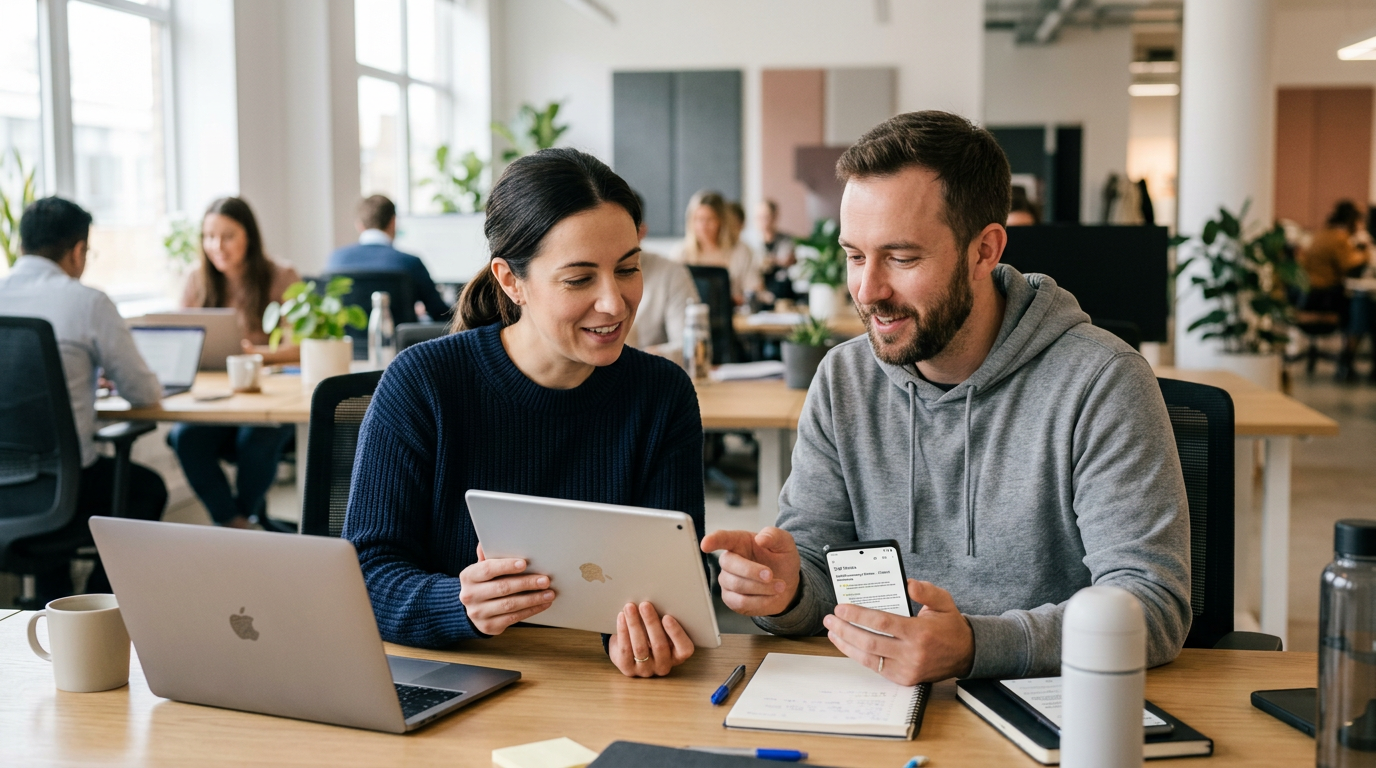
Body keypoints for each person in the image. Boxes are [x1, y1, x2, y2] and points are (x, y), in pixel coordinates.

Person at [702, 111, 1191, 685]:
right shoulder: (844, 379)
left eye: (902, 258)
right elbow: (816, 570)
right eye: (855, 256)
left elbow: (1151, 606)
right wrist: (786, 592)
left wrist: (976, 647)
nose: (867, 291)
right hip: (875, 703)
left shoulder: (1101, 380)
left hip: (1046, 711)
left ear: (984, 251)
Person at [343, 148, 705, 678]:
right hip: (450, 679)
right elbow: (365, 577)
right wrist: (458, 603)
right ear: (511, 281)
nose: (615, 302)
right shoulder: (424, 382)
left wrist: (649, 636)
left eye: (628, 268)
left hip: (599, 689)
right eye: (579, 279)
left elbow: (675, 584)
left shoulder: (662, 394)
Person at [0, 197, 167, 601]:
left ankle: (54, 601)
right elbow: (144, 394)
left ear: (23, 245)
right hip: (63, 491)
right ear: (77, 250)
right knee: (148, 490)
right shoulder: (87, 302)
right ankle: (96, 603)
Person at [170, 197, 299, 530]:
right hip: (217, 397)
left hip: (271, 397)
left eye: (228, 236)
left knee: (255, 439)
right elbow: (180, 341)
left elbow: (301, 346)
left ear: (249, 237)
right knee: (185, 438)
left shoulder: (281, 275)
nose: (217, 246)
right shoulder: (195, 280)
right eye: (209, 237)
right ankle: (238, 524)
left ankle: (241, 520)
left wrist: (253, 352)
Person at [325, 195, 452, 323]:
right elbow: (441, 314)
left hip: (349, 343)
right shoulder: (410, 263)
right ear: (393, 222)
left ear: (359, 225)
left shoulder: (337, 260)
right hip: (402, 343)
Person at [1300, 200, 1372, 381]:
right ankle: (1347, 360)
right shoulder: (1339, 238)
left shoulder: (1322, 233)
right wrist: (1366, 251)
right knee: (1361, 308)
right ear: (1353, 221)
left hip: (1310, 294)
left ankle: (1348, 360)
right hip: (1326, 295)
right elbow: (1349, 264)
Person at [627, 192, 701, 357]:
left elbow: (689, 348)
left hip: (648, 375)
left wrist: (639, 359)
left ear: (642, 232)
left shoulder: (671, 273)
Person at [672, 190, 760, 304]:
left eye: (710, 219)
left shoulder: (741, 251)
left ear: (722, 221)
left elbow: (754, 289)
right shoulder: (681, 253)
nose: (703, 226)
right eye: (698, 219)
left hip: (733, 317)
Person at [755, 199, 798, 305]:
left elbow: (788, 260)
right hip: (760, 293)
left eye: (766, 217)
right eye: (760, 217)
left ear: (774, 217)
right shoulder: (753, 243)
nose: (763, 221)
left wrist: (771, 261)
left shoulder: (786, 240)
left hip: (783, 292)